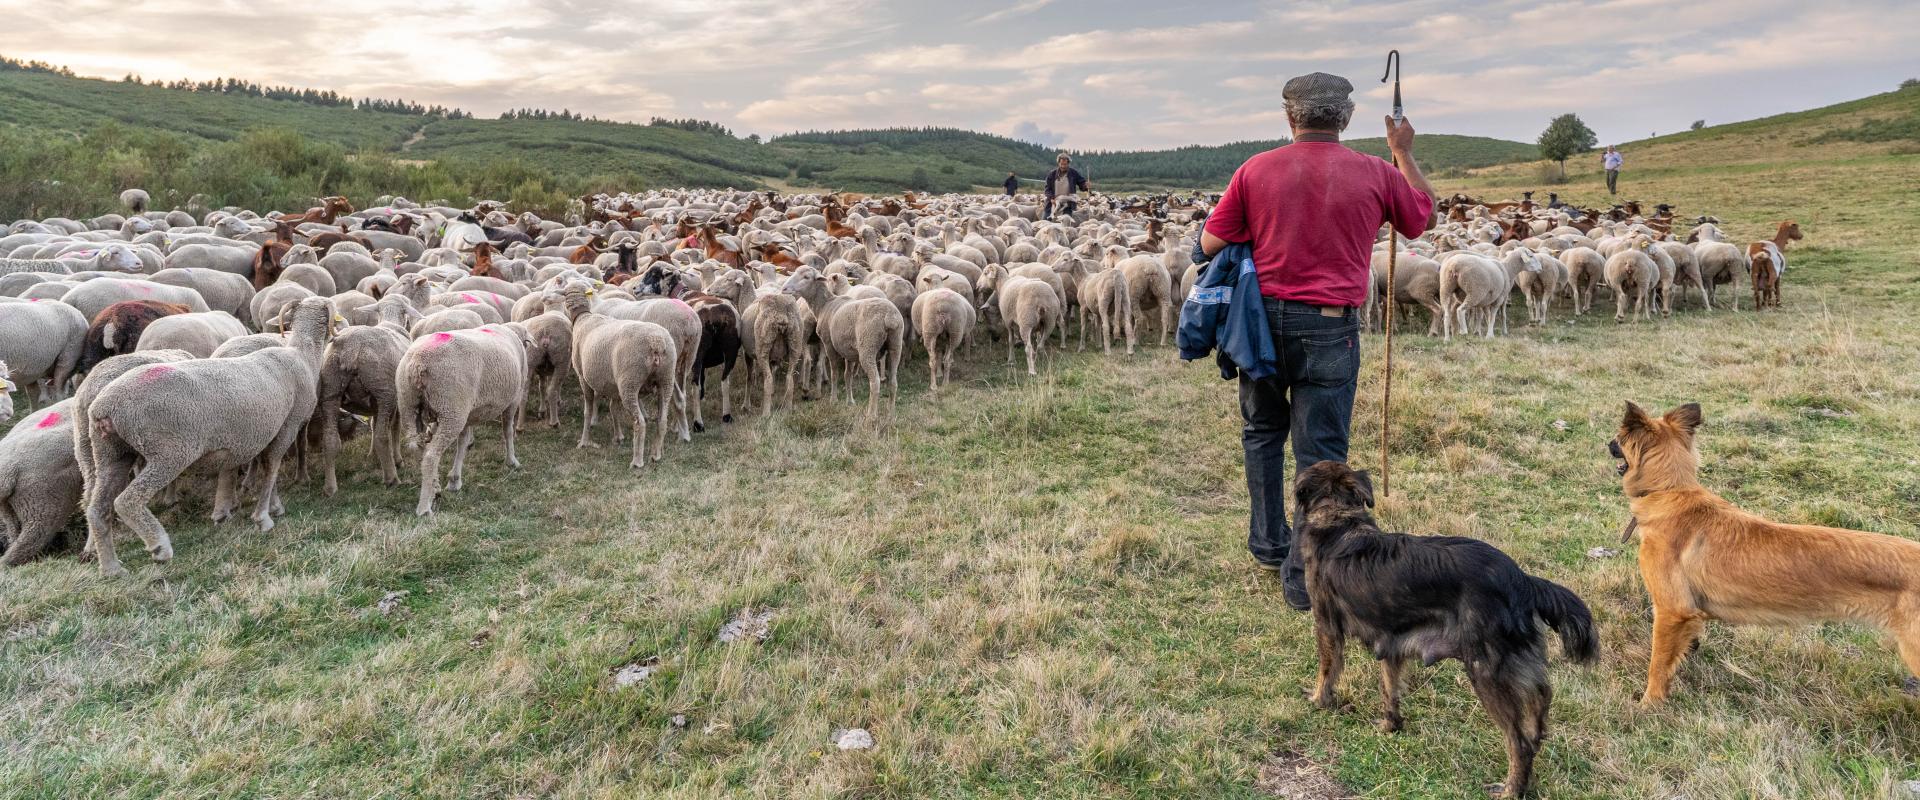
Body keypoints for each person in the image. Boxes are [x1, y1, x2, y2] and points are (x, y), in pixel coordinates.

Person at [1198, 72, 1435, 610]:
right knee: (1322, 450)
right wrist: (1402, 153)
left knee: (1261, 431)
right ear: (1346, 119)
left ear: (1289, 117)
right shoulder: (1376, 171)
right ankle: (1305, 575)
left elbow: (1212, 240)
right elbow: (1422, 217)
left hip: (1260, 325)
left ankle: (1268, 542)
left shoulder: (1255, 170)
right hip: (1330, 326)